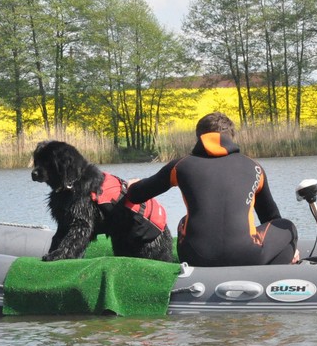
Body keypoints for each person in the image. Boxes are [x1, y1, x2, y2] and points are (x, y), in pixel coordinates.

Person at [126, 112, 299, 267]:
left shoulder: (181, 165)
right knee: (286, 226)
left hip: (195, 257)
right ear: (231, 137)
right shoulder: (254, 167)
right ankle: (279, 269)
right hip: (247, 255)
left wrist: (134, 184)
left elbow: (136, 195)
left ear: (199, 138)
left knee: (185, 221)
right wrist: (288, 247)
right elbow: (270, 216)